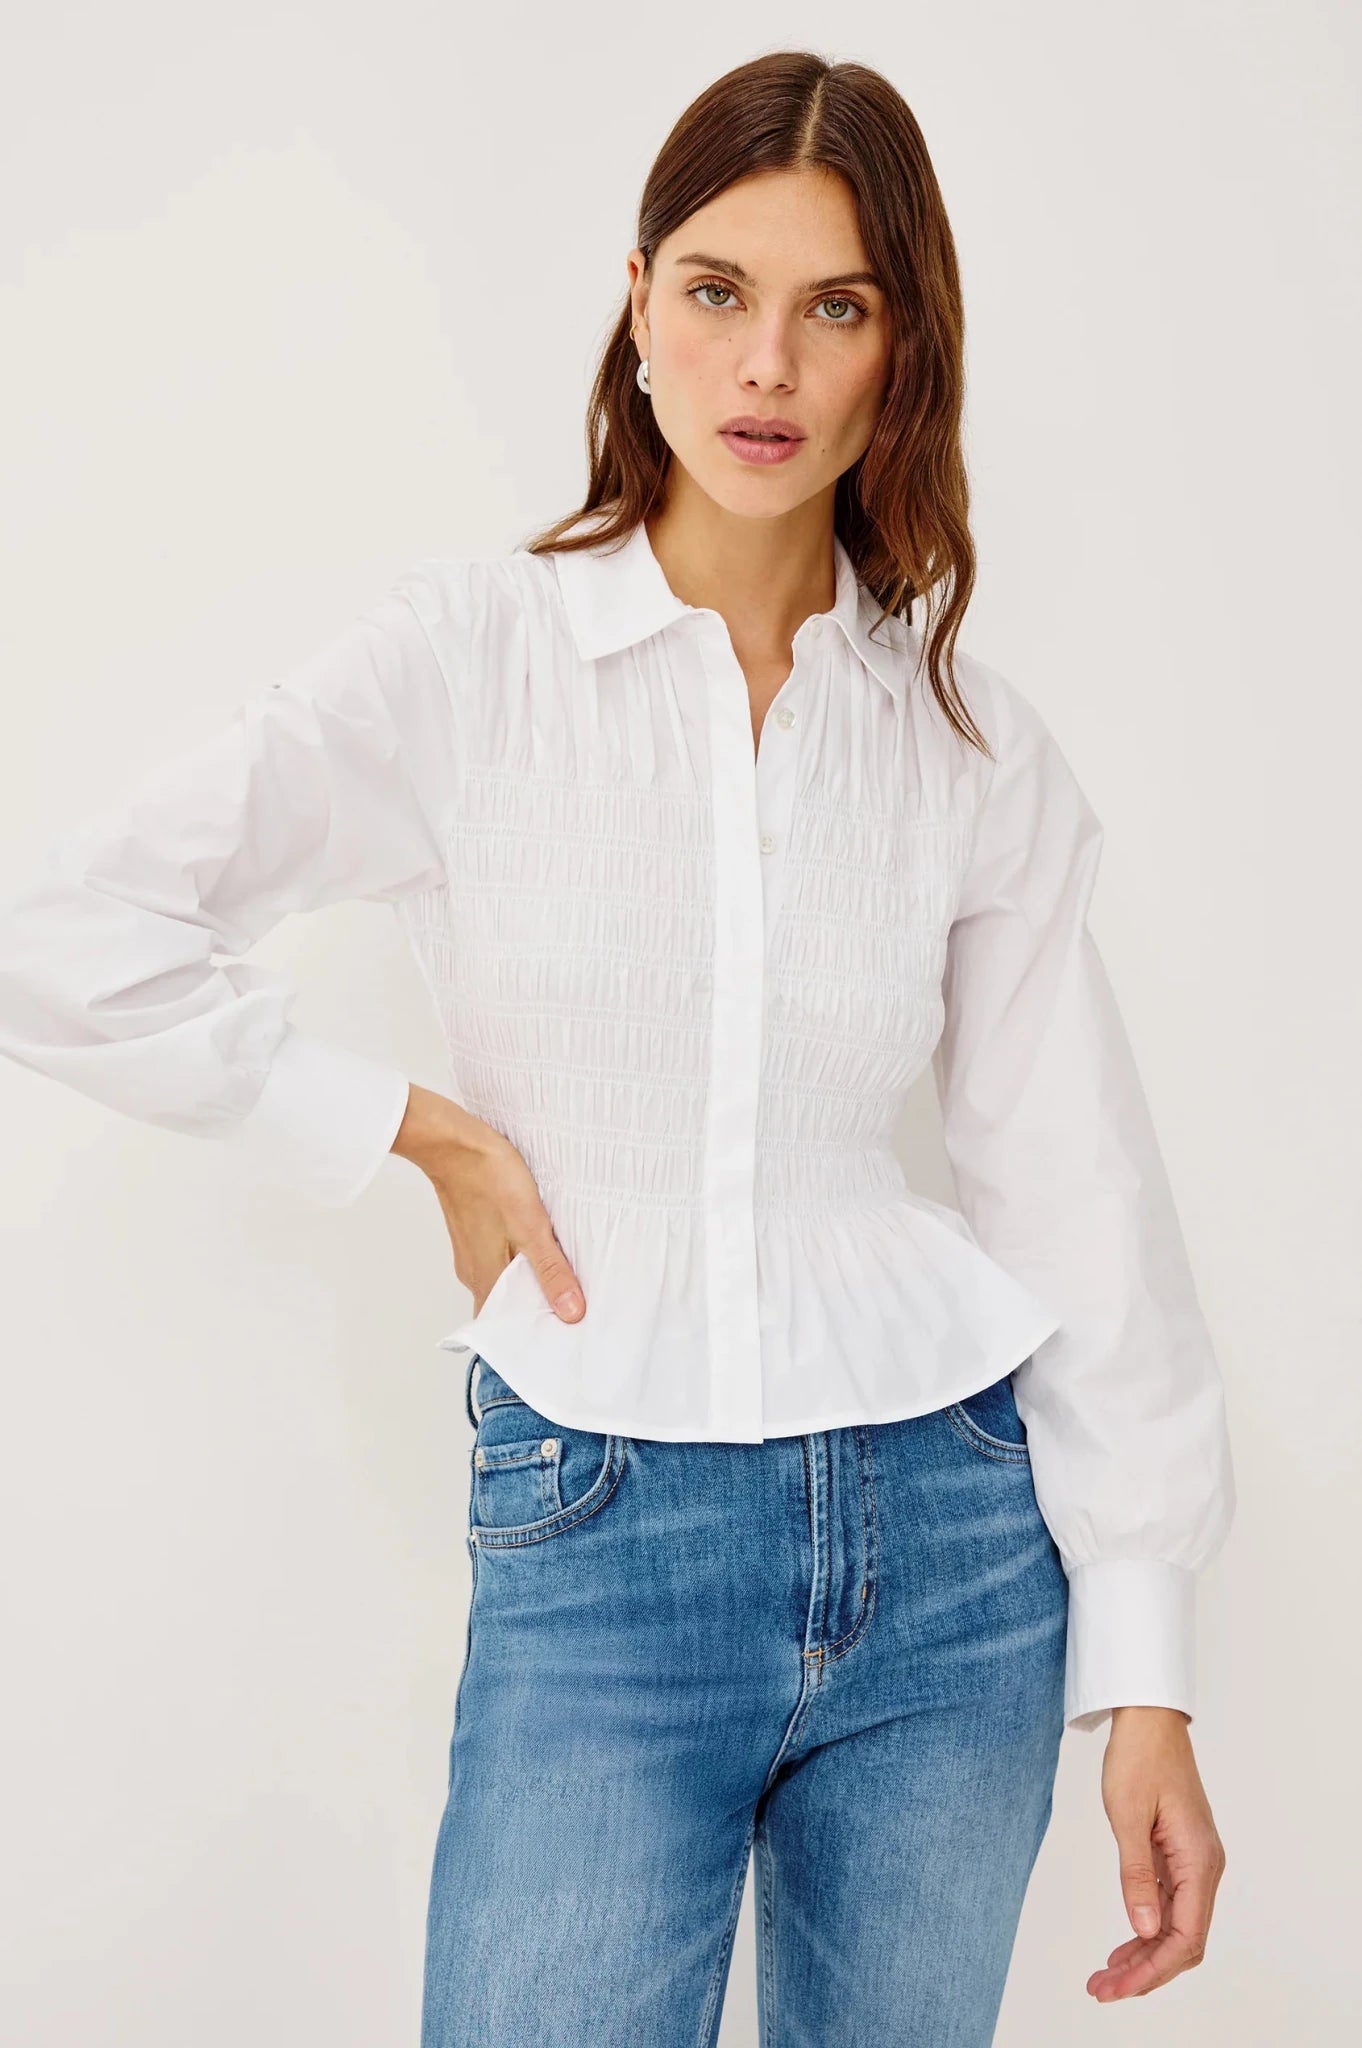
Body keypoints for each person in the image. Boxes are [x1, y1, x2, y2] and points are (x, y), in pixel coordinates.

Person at [0, 48, 1234, 2048]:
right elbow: (65, 935)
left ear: (901, 352)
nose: (768, 364)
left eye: (836, 306)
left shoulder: (966, 746)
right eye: (718, 290)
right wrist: (407, 1128)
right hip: (600, 1535)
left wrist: (1148, 1671)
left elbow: (1075, 1195)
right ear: (638, 302)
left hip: (955, 1550)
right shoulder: (467, 664)